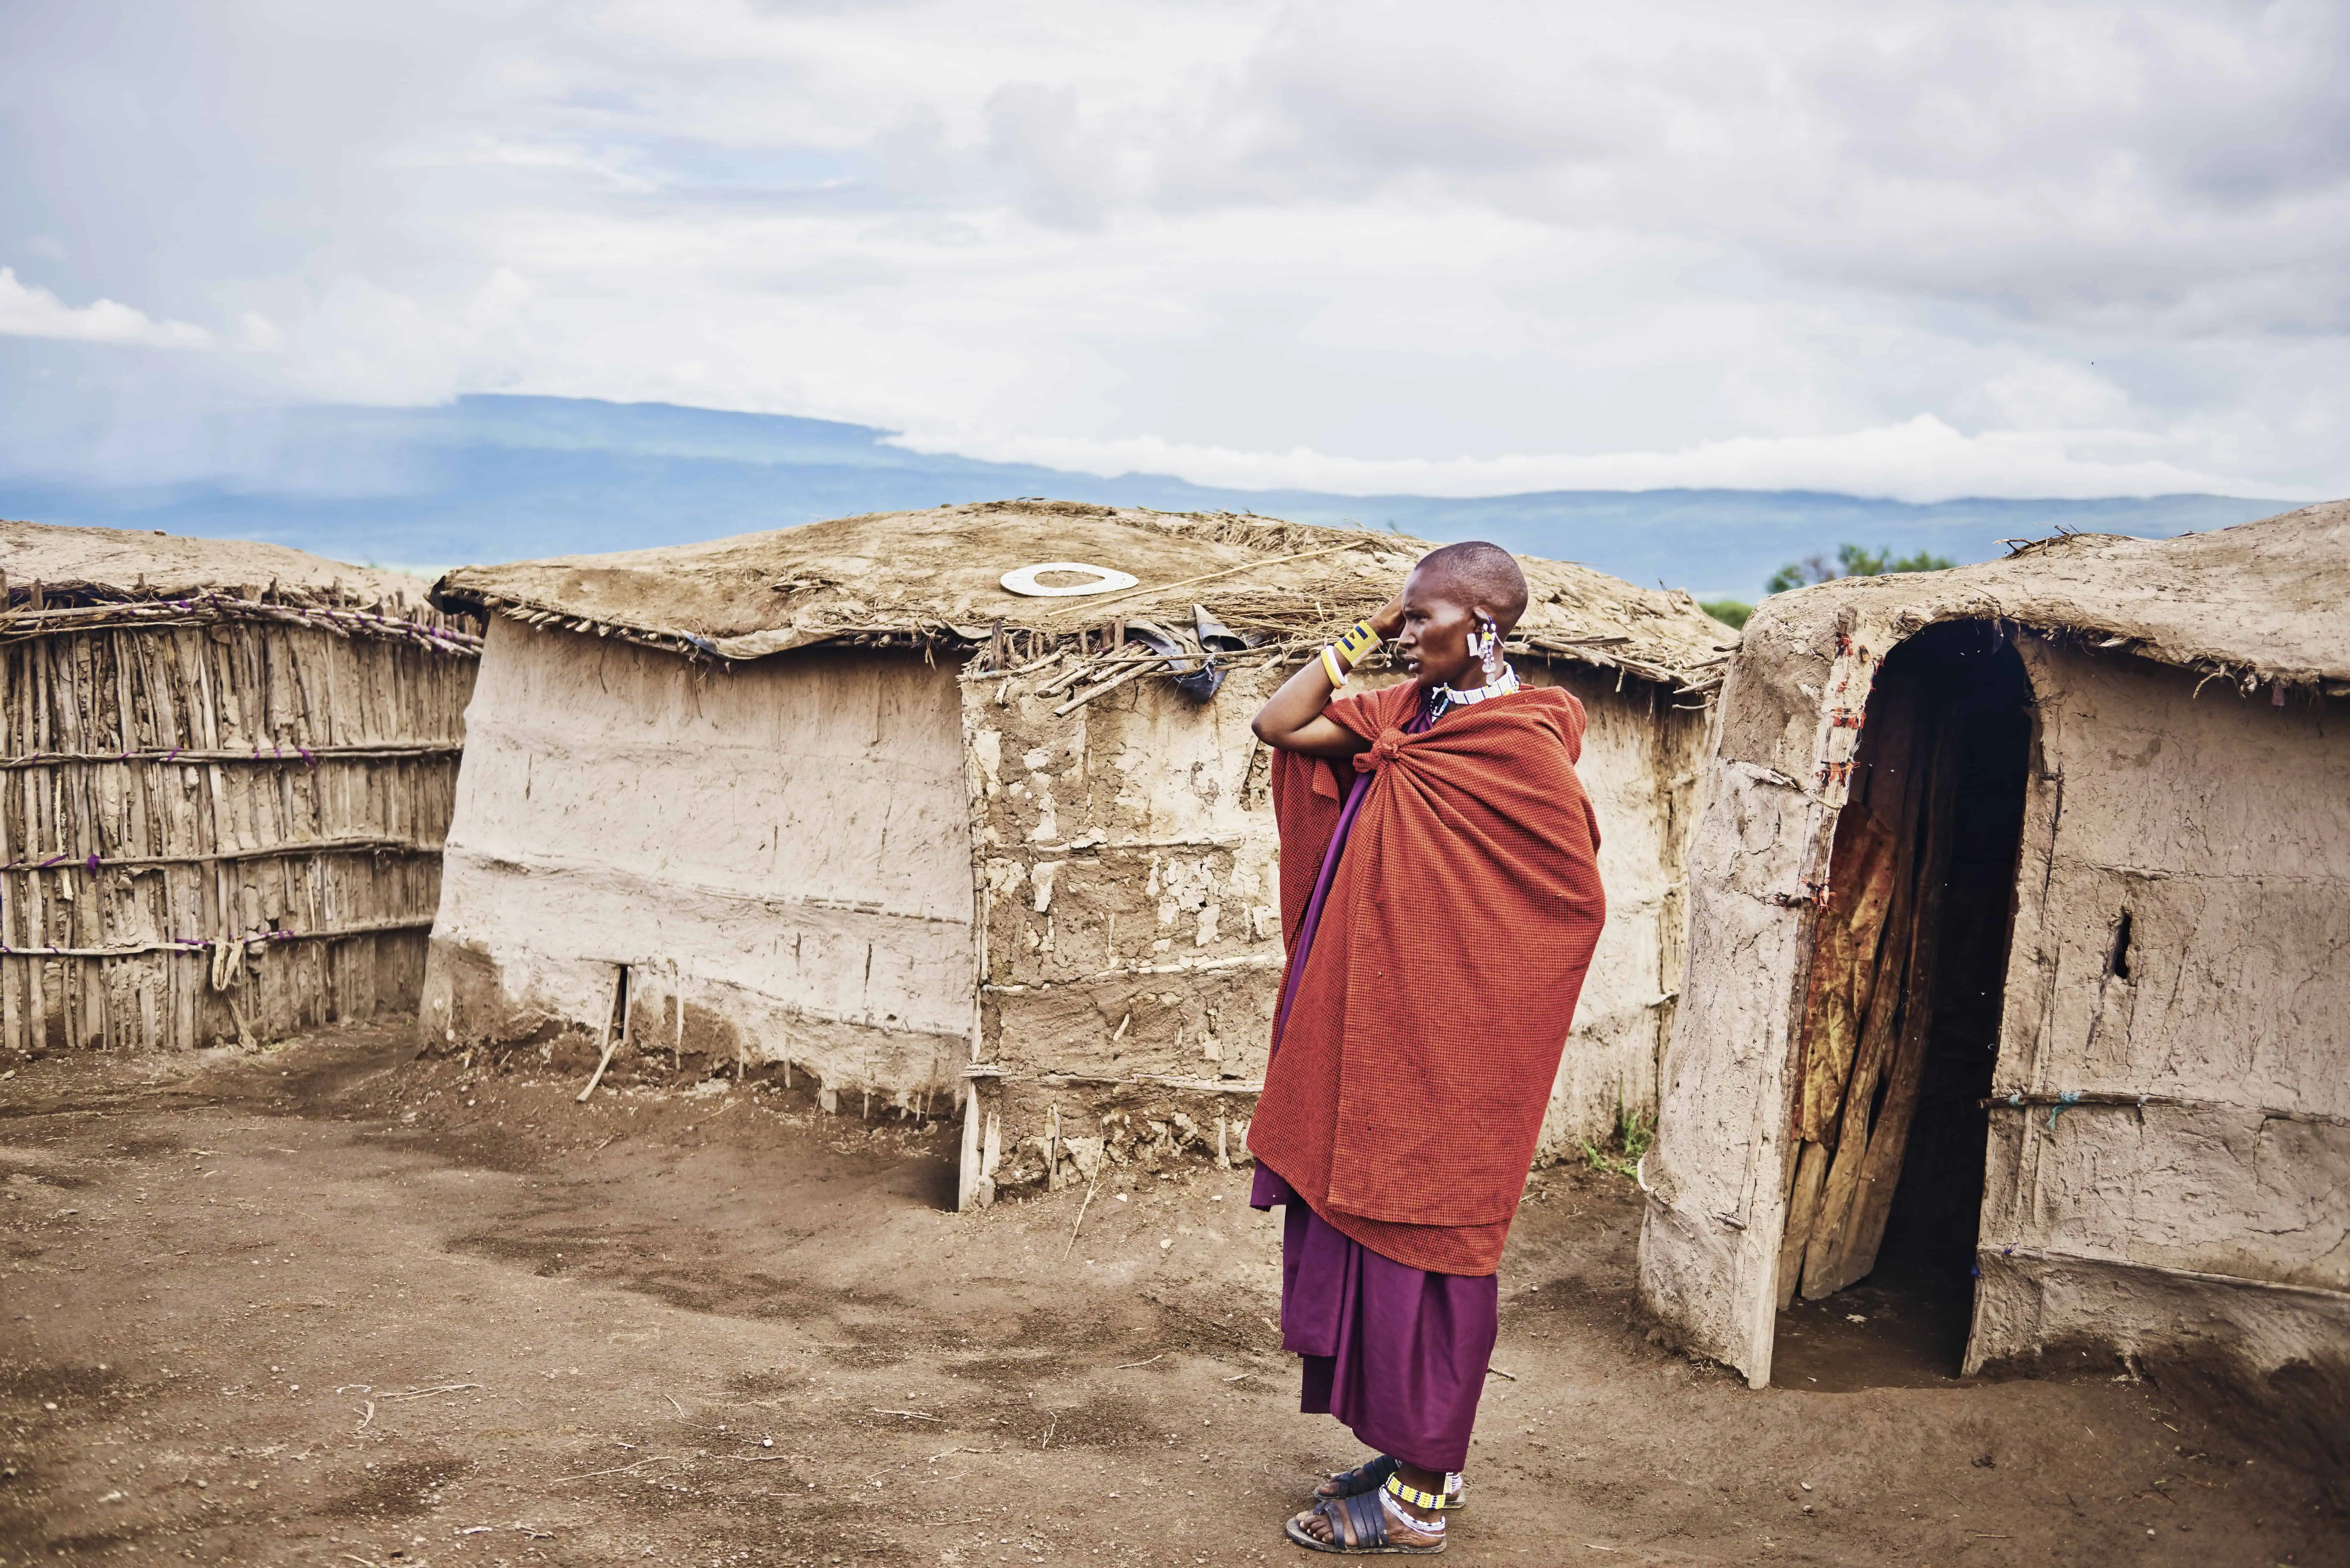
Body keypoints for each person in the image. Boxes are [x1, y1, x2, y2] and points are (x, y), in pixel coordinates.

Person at [1246, 541, 1608, 1555]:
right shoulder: (1402, 719)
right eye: (1399, 622)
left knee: (1434, 1243)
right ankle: (1404, 1451)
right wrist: (1360, 640)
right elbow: (1278, 723)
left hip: (1456, 1052)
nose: (1405, 638)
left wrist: (1466, 1003)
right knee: (1359, 1221)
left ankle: (1419, 1500)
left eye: (1424, 622)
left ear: (1485, 628)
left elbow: (1567, 905)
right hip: (1375, 1034)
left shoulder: (1524, 745)